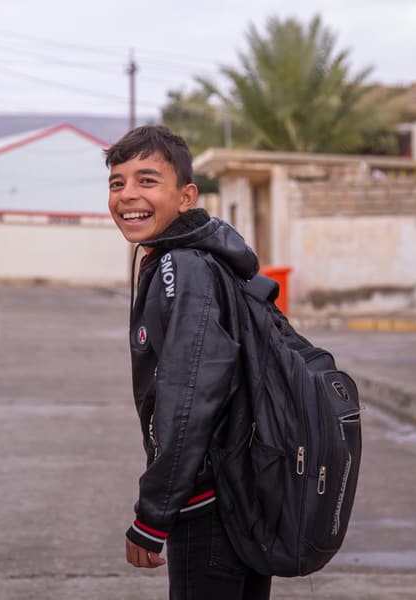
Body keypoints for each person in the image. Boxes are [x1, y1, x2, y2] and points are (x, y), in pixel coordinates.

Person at [105, 125, 272, 599]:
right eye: (118, 183)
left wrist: (153, 514)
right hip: (237, 495)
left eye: (147, 180)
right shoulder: (186, 256)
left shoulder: (185, 265)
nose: (128, 195)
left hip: (211, 505)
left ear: (186, 196)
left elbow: (190, 393)